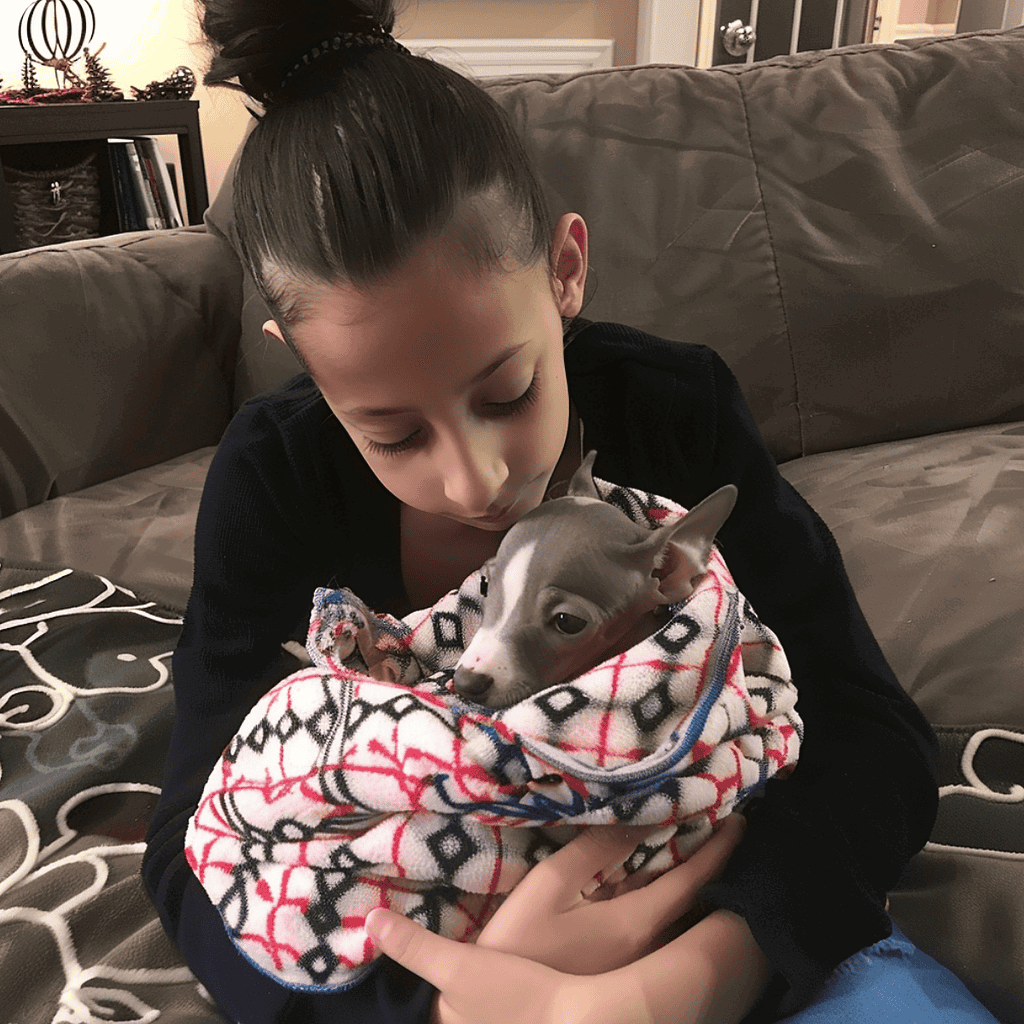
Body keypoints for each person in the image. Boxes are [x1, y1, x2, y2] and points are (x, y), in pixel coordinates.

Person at [141, 2, 1001, 1022]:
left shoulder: (670, 410)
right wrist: (443, 1005)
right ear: (300, 358)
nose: (473, 481)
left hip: (715, 928)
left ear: (565, 269)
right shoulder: (271, 478)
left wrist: (695, 971)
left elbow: (867, 731)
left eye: (505, 395)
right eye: (392, 434)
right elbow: (201, 839)